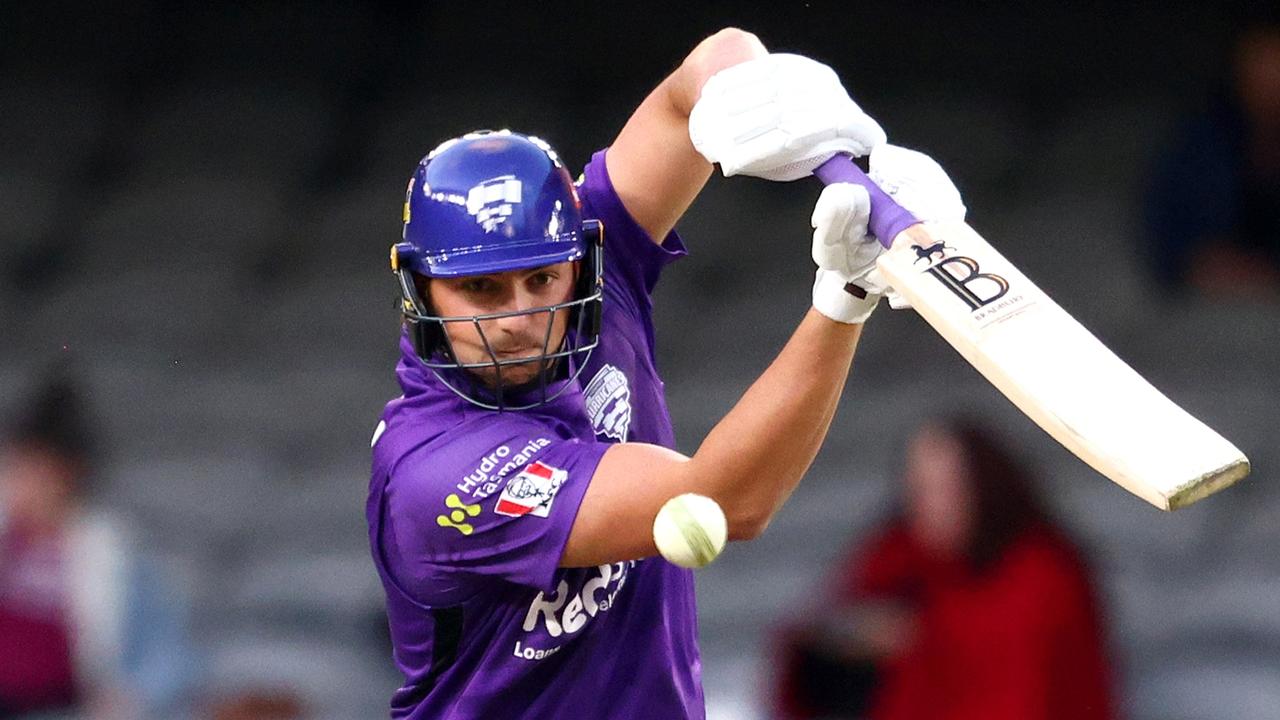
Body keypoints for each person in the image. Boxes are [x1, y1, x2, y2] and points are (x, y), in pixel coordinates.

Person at [366, 28, 967, 718]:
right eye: (482, 290)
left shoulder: (594, 271)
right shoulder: (436, 476)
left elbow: (695, 85)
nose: (518, 317)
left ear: (577, 261)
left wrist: (822, 140)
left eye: (540, 279)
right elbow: (720, 502)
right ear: (421, 292)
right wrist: (847, 294)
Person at [772, 418, 1115, 720]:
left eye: (945, 490)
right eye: (918, 491)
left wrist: (919, 637)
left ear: (983, 488)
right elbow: (819, 629)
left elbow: (1026, 693)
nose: (928, 506)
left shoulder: (1045, 574)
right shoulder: (901, 555)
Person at [0, 374, 194, 719]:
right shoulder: (7, 539)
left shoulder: (110, 559)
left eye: (35, 470)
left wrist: (128, 700)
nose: (20, 482)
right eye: (15, 466)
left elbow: (169, 657)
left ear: (68, 473)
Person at [1143, 13, 1280, 298]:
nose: (1270, 82)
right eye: (1259, 64)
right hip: (1209, 309)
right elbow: (1168, 248)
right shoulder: (1201, 145)